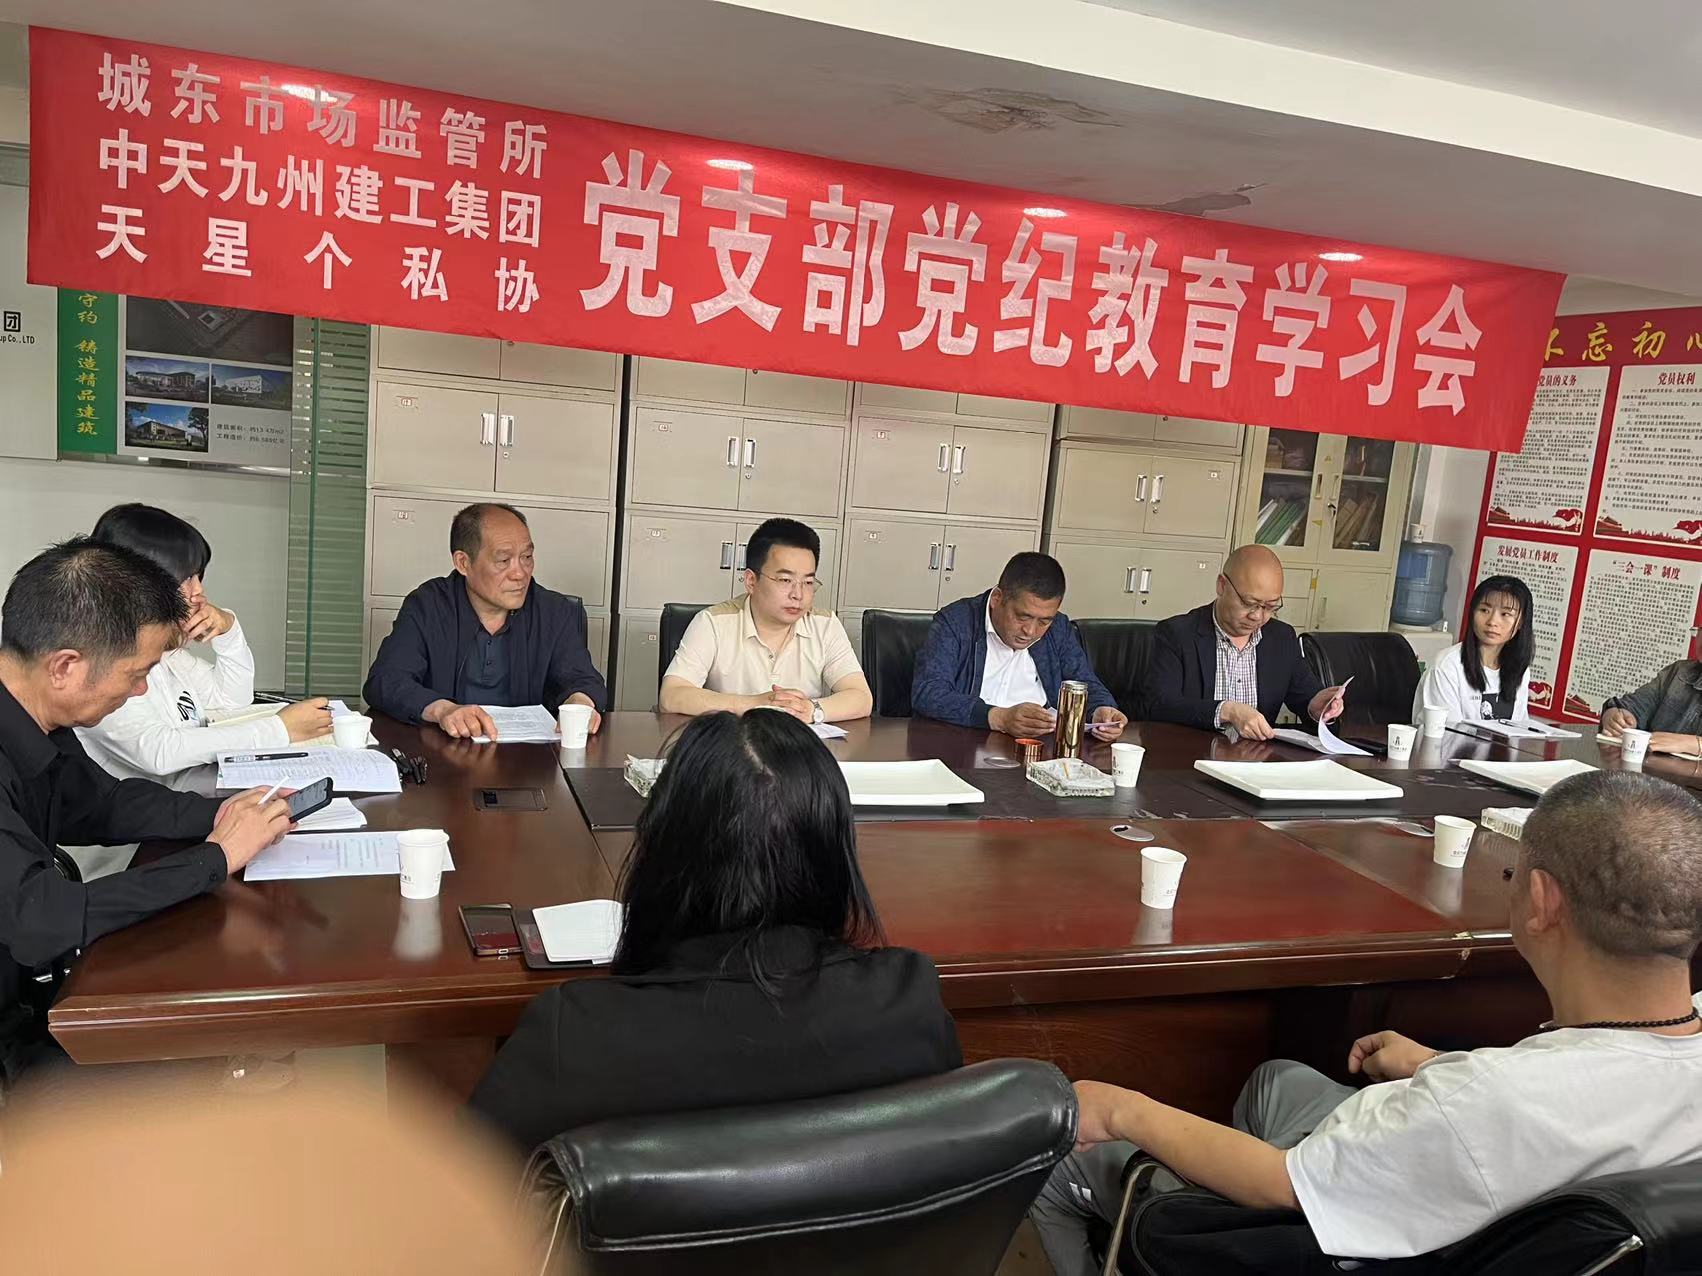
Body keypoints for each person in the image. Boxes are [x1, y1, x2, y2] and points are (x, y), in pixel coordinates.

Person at [1031, 770, 1702, 1271]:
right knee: (1276, 1081)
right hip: (1476, 1196)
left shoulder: (1478, 1101)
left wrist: (1123, 1108)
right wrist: (1436, 1066)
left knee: (1056, 1165)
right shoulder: (1514, 1085)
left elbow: (1281, 1183)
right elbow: (1575, 1095)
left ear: (1542, 901)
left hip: (1335, 1233)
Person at [468, 710, 961, 1152]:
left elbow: (453, 1199)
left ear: (665, 848)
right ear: (835, 849)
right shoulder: (908, 1000)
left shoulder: (576, 1035)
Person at [0, 539, 293, 1082]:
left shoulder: (40, 720)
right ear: (65, 666)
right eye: (137, 674)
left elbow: (103, 805)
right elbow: (43, 918)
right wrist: (216, 857)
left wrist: (222, 814)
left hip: (32, 990)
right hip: (12, 1031)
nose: (140, 692)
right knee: (214, 1054)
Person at [75, 503, 332, 788]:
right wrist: (279, 729)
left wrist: (229, 630)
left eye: (199, 576)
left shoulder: (170, 658)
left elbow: (233, 698)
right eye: (187, 578)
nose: (198, 590)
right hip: (141, 813)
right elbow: (159, 752)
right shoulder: (100, 663)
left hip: (187, 798)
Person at [363, 503, 606, 740]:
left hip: (529, 756)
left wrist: (580, 702)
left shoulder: (553, 611)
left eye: (527, 557)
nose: (520, 573)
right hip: (444, 750)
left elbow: (583, 679)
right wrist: (443, 710)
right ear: (463, 563)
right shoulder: (429, 605)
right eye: (503, 560)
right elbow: (386, 680)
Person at [659, 518, 872, 723]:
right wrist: (754, 705)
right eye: (785, 580)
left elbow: (861, 697)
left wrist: (811, 709)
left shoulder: (825, 625)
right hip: (732, 743)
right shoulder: (713, 623)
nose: (798, 594)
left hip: (798, 744)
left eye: (808, 582)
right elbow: (671, 696)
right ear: (751, 581)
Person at [911, 552, 1127, 741]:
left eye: (1044, 621)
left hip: (1042, 746)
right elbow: (929, 692)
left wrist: (1100, 709)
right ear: (997, 598)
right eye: (1023, 617)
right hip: (967, 743)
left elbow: (1084, 681)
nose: (1030, 631)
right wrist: (999, 718)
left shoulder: (1058, 628)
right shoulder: (956, 622)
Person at [1145, 544, 1346, 739]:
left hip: (1255, 757)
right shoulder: (1177, 634)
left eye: (1270, 607)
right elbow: (1158, 705)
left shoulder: (1281, 638)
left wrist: (1318, 709)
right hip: (1195, 755)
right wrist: (1226, 710)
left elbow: (1308, 699)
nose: (1257, 616)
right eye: (1249, 603)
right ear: (1222, 585)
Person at [1413, 574, 1534, 728]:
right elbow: (1448, 732)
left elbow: (1519, 728)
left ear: (1521, 622)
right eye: (1484, 610)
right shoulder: (1448, 666)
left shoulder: (1520, 668)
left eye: (1505, 614)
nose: (1492, 621)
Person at [1600, 657, 1702, 758]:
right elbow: (1635, 705)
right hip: (1646, 765)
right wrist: (1616, 717)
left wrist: (1694, 744)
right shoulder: (1680, 672)